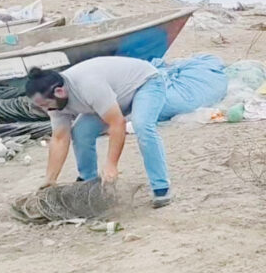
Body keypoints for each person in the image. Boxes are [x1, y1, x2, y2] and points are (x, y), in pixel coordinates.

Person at [26, 56, 174, 208]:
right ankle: (89, 183)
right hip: (114, 98)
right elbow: (59, 138)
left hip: (145, 83)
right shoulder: (53, 103)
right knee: (80, 132)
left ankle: (161, 186)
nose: (47, 110)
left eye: (46, 104)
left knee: (142, 126)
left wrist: (111, 165)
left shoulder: (88, 85)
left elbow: (117, 123)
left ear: (59, 91)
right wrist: (50, 179)